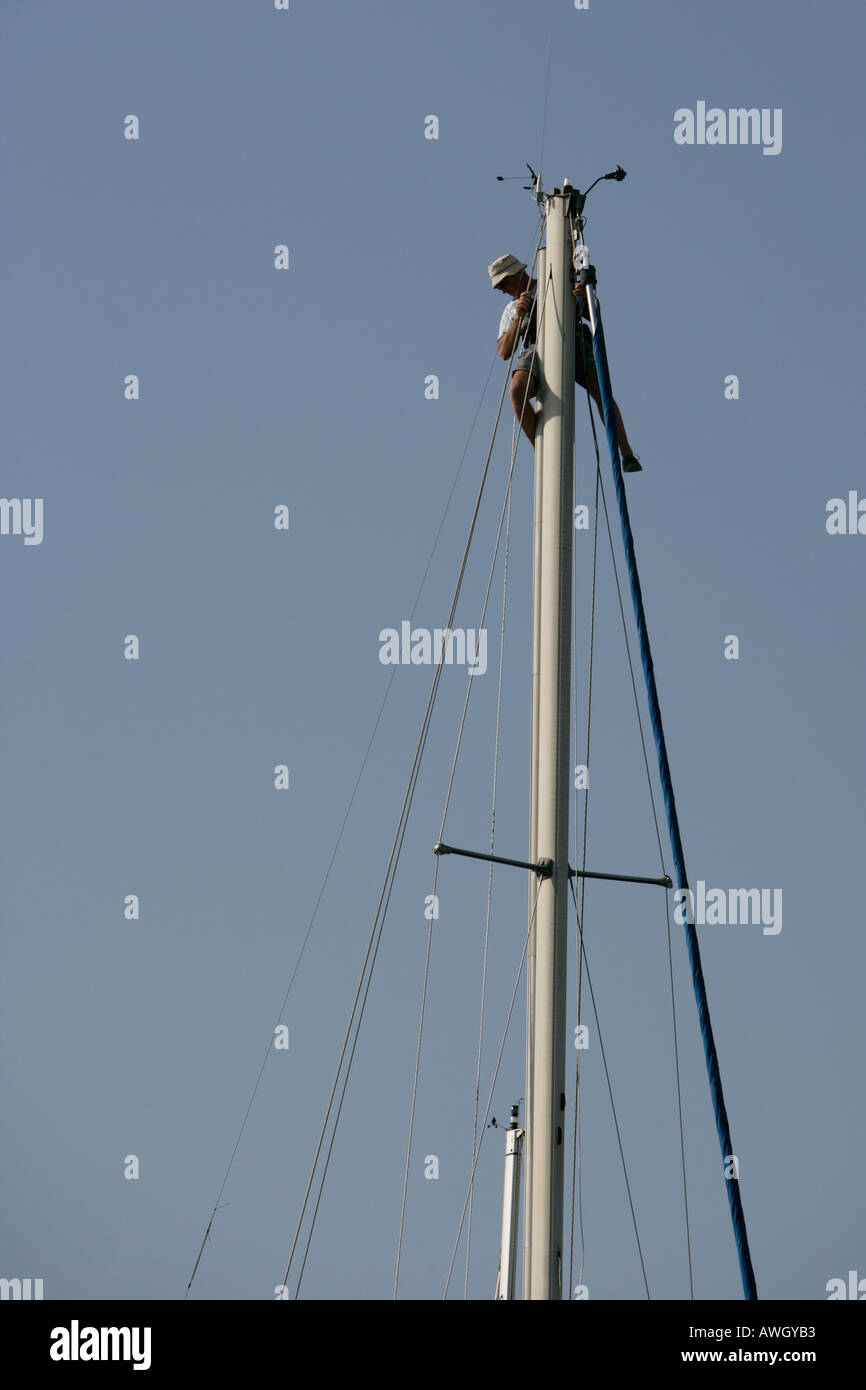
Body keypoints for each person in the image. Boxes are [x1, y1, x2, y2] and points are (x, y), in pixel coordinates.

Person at [488, 252, 642, 471]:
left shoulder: (559, 282)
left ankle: (626, 453)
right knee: (516, 390)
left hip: (572, 336)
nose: (503, 290)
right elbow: (504, 351)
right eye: (499, 288)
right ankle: (539, 450)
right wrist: (518, 318)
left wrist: (584, 295)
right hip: (536, 346)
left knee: (599, 389)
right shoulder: (511, 309)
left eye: (504, 283)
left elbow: (593, 313)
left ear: (518, 272)